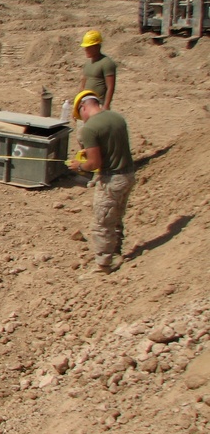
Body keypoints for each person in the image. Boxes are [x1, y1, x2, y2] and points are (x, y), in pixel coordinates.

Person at [67, 90, 135, 274]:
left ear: (83, 106)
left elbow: (94, 163)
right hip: (128, 174)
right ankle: (115, 251)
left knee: (102, 223)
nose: (82, 119)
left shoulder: (89, 129)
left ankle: (104, 265)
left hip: (111, 179)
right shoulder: (117, 118)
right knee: (116, 217)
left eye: (79, 114)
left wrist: (79, 166)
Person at [78, 30, 116, 111]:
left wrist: (106, 106)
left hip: (97, 105)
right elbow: (83, 85)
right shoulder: (88, 64)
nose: (85, 50)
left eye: (88, 47)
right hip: (85, 103)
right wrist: (78, 103)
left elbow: (111, 87)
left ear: (96, 47)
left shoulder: (106, 63)